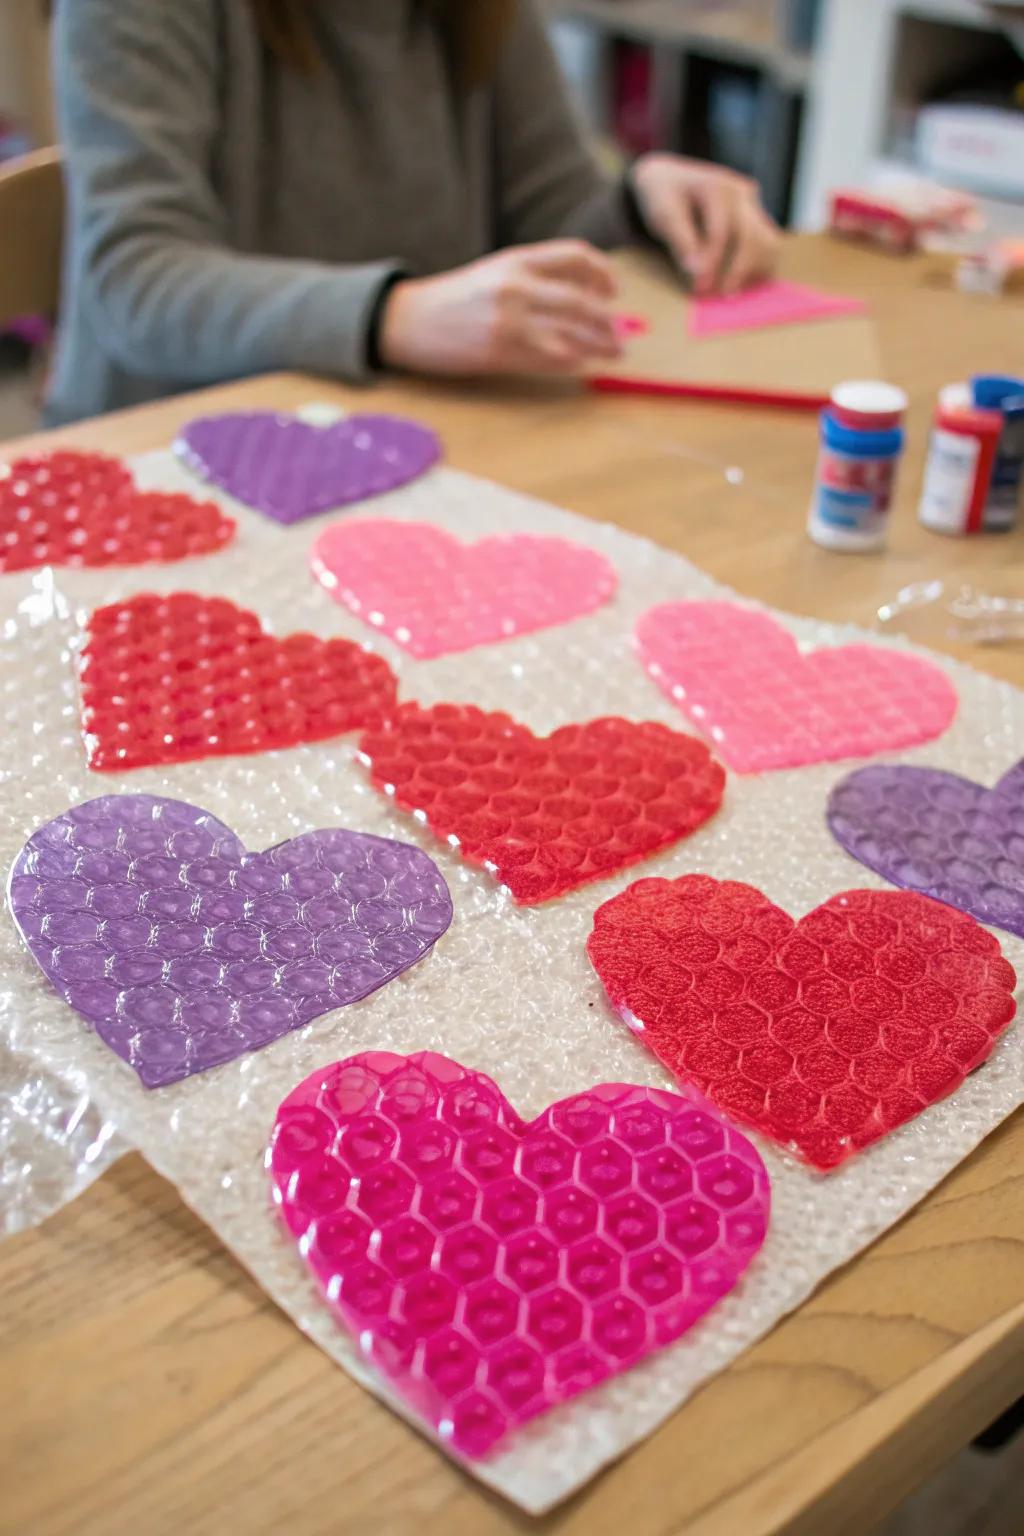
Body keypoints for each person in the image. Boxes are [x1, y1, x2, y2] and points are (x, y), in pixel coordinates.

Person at [46, 0, 781, 425]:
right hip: (175, 444)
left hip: (413, 429)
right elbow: (134, 279)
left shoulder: (474, 13)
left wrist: (639, 198)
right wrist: (392, 316)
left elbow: (553, 213)